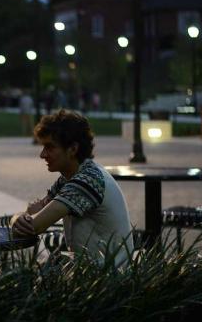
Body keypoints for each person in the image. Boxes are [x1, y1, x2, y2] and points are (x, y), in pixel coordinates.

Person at [11, 110, 133, 266]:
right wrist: (21, 217)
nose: (42, 155)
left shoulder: (87, 181)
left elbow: (35, 225)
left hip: (109, 281)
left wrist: (18, 218)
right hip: (91, 274)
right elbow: (33, 215)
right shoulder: (70, 178)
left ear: (73, 149)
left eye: (49, 147)